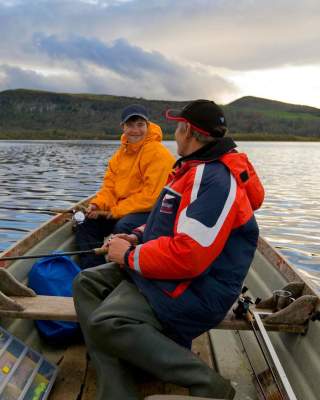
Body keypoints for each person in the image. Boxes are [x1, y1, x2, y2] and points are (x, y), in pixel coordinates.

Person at [73, 99, 265, 399]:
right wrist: (135, 237)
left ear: (187, 131)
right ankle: (118, 388)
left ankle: (209, 385)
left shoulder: (214, 180)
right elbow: (163, 221)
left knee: (105, 322)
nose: (174, 133)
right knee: (86, 282)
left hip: (198, 290)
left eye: (177, 127)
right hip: (174, 274)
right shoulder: (191, 169)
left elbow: (188, 256)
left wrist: (127, 256)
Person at [75, 104, 175, 269]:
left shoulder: (158, 154)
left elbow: (151, 198)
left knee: (123, 226)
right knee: (86, 223)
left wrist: (113, 212)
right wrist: (97, 205)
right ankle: (93, 271)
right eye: (130, 125)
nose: (135, 130)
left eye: (140, 125)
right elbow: (109, 189)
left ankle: (126, 270)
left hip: (153, 212)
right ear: (123, 127)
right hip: (124, 209)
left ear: (148, 126)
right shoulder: (119, 156)